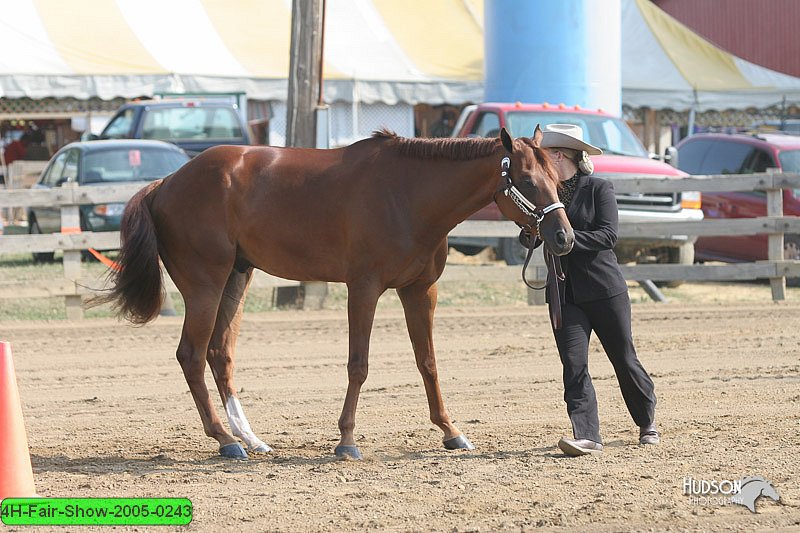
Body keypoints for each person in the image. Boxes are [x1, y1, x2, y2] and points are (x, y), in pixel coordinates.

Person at [529, 124, 659, 457]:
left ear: (559, 155)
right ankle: (587, 435)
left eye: (545, 156)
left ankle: (646, 422)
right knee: (574, 365)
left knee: (624, 359)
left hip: (604, 290)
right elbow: (534, 232)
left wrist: (567, 240)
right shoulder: (546, 193)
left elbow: (608, 236)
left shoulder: (598, 188)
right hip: (565, 293)